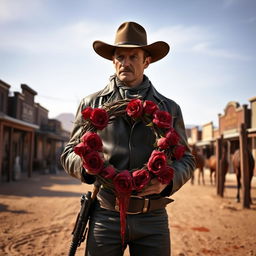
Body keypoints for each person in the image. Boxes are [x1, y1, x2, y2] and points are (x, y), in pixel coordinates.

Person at [61, 21, 195, 256]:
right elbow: (69, 152)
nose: (126, 62)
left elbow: (188, 160)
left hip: (152, 218)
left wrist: (168, 182)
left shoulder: (169, 108)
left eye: (134, 56)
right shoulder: (91, 105)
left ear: (147, 61)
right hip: (105, 216)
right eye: (120, 56)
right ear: (113, 60)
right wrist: (86, 167)